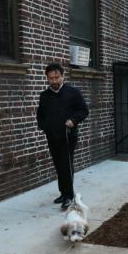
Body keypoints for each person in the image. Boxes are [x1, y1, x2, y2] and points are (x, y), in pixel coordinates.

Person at [36, 62, 89, 210]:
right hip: (52, 137)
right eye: (51, 78)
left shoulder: (73, 92)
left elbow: (83, 110)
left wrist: (73, 120)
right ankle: (63, 192)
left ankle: (69, 196)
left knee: (66, 164)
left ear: (62, 76)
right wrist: (44, 127)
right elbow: (40, 115)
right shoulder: (45, 96)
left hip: (68, 135)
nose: (54, 81)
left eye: (56, 77)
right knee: (58, 165)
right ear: (47, 78)